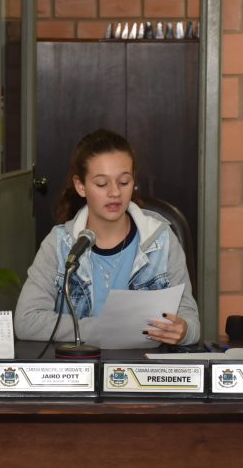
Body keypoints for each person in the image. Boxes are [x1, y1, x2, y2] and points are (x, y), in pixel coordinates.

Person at [14, 129, 200, 346]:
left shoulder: (161, 240)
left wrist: (184, 331)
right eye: (102, 184)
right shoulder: (60, 244)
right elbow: (26, 320)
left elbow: (191, 322)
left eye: (124, 182)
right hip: (80, 364)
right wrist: (103, 329)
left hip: (142, 363)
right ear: (81, 186)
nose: (115, 193)